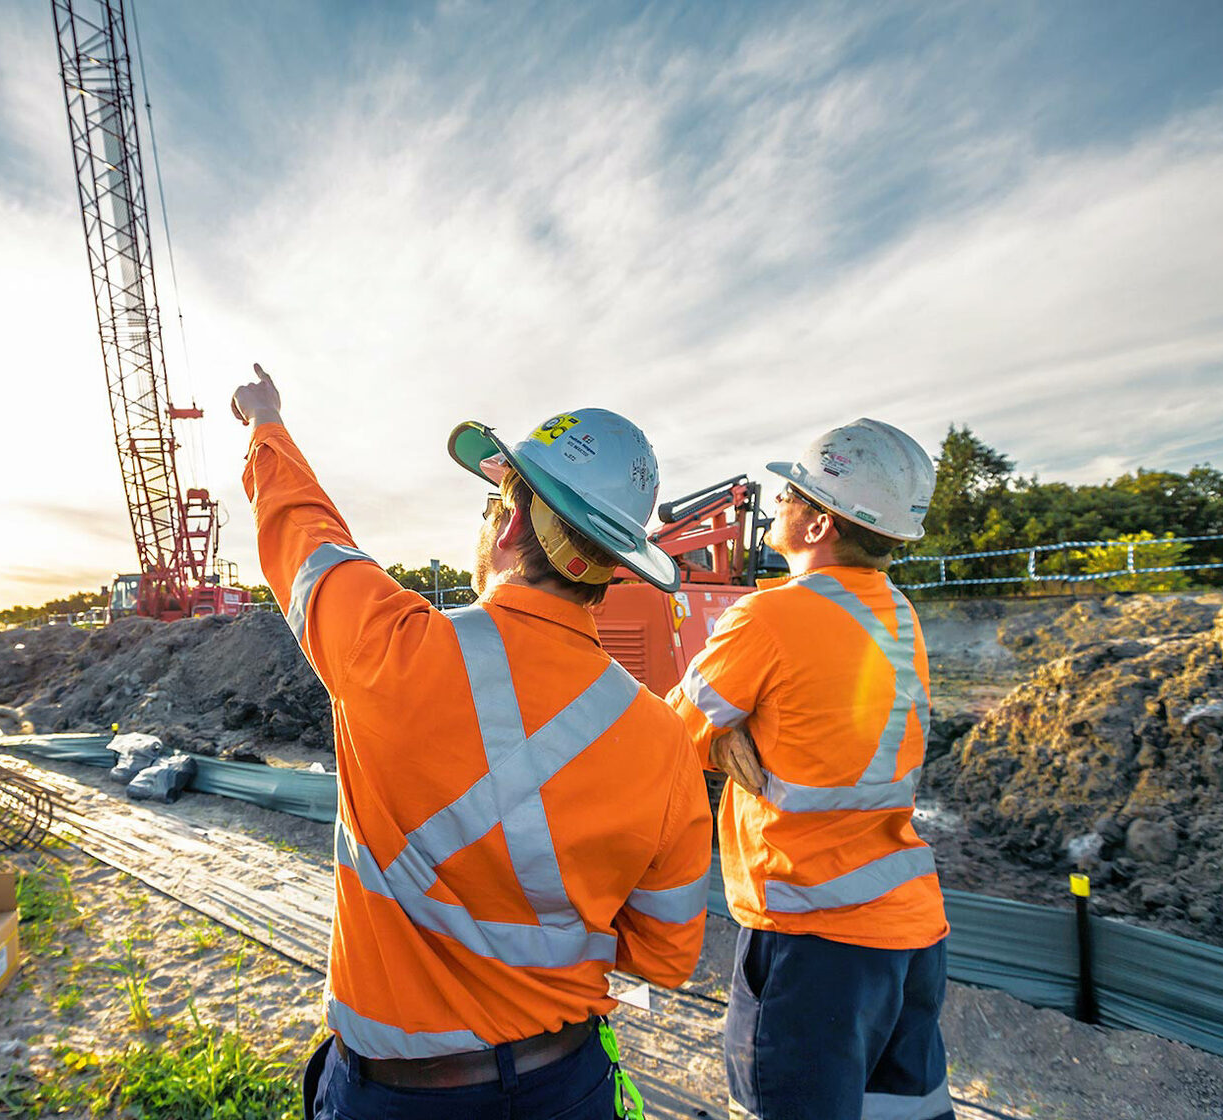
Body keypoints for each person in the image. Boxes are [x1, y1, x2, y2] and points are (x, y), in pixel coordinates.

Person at [232, 364, 714, 1120]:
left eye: (498, 498)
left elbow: (303, 534)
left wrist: (266, 424)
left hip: (400, 1097)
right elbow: (664, 956)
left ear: (514, 524)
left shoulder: (390, 650)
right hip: (569, 1084)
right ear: (612, 569)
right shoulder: (665, 742)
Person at [665, 418, 953, 1120]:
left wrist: (710, 740)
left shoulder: (771, 617)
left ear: (820, 524)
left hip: (811, 937)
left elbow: (666, 730)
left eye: (790, 491)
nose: (779, 500)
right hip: (909, 931)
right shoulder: (898, 616)